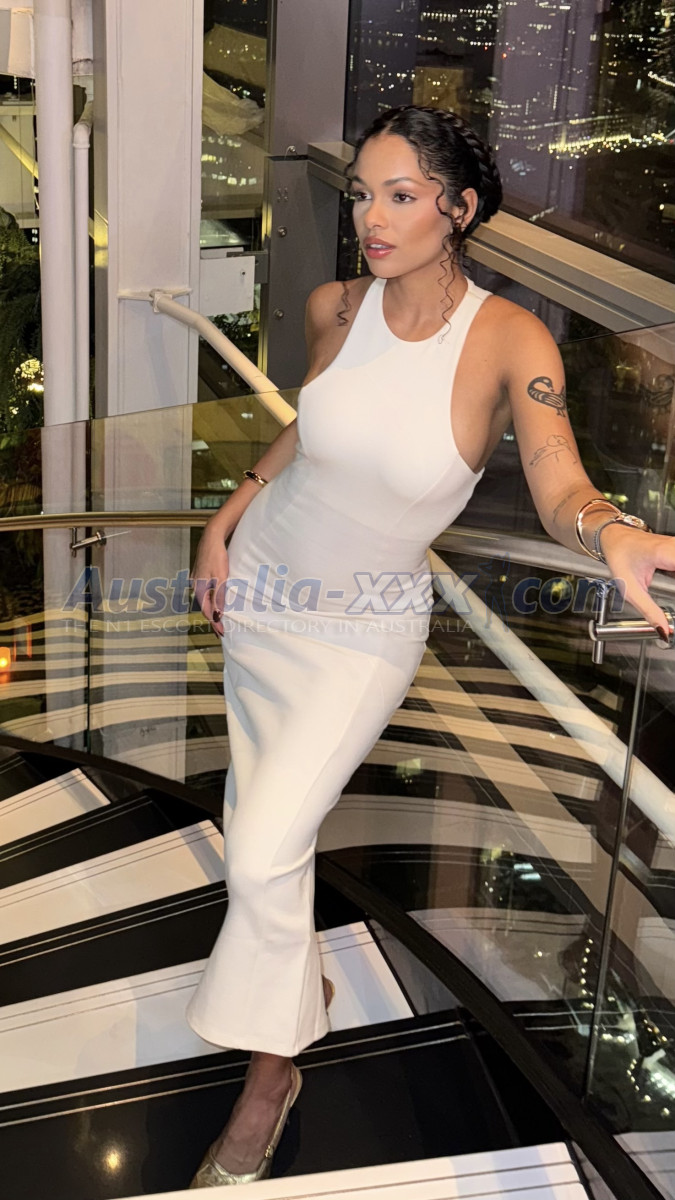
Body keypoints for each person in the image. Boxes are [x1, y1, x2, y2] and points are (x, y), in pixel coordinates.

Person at [186, 105, 675, 1187]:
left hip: (360, 633)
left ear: (458, 208)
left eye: (400, 195)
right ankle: (286, 1018)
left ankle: (272, 1074)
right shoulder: (335, 305)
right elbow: (311, 427)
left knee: (262, 847)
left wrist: (616, 535)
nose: (371, 216)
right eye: (363, 192)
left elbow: (556, 478)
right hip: (263, 590)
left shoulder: (508, 339)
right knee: (265, 830)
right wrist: (225, 520)